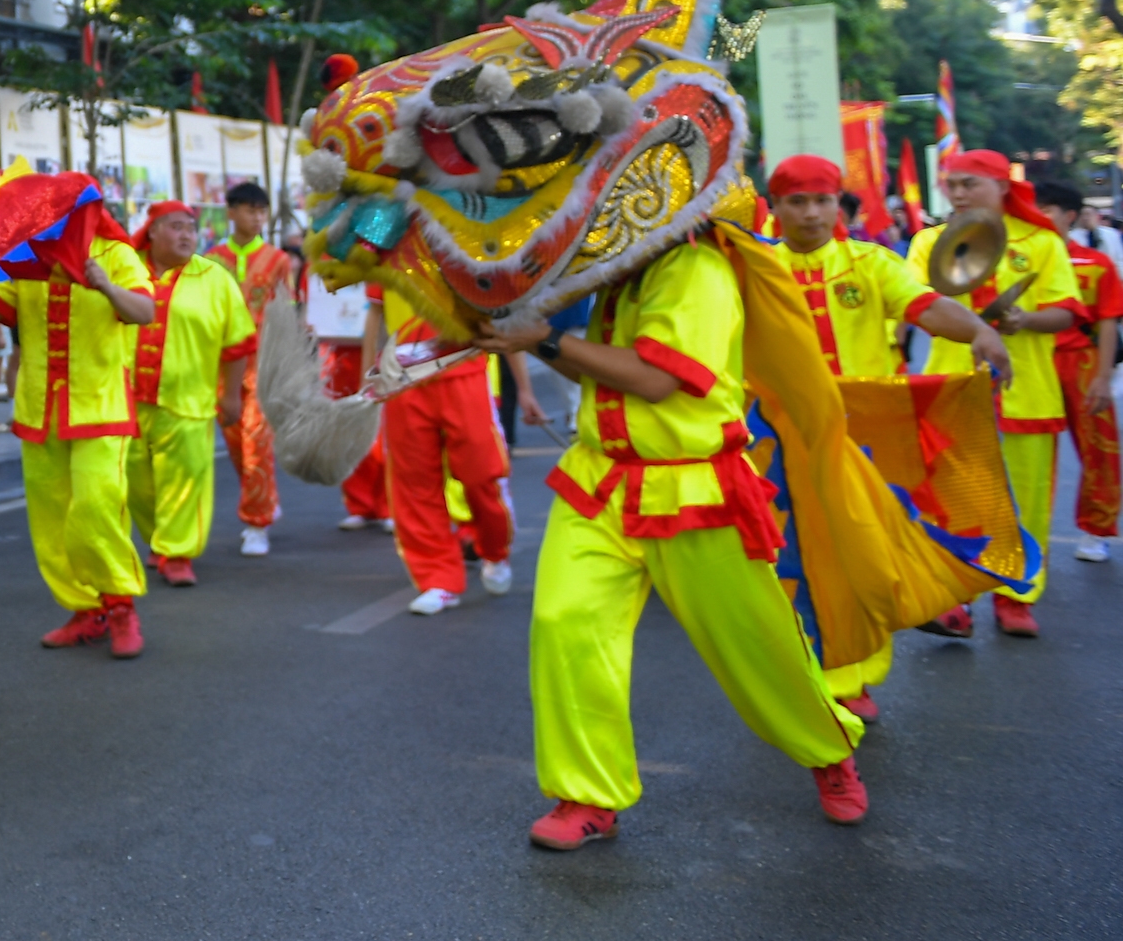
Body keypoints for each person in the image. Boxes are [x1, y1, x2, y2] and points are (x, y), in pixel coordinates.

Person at [477, 229, 871, 851]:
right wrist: (520, 334)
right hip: (600, 478)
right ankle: (588, 792)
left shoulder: (697, 269)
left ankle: (829, 749)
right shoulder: (615, 274)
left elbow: (659, 380)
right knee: (566, 624)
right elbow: (587, 364)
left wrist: (543, 339)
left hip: (694, 487)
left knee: (755, 641)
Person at [764, 154, 1010, 719]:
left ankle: (853, 674)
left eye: (823, 201)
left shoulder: (870, 262)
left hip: (860, 440)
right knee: (791, 558)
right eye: (797, 202)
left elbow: (925, 307)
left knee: (862, 556)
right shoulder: (756, 268)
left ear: (838, 204)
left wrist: (978, 329)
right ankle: (813, 673)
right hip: (777, 438)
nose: (811, 214)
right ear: (775, 206)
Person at [0, 186, 158, 657]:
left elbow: (144, 311)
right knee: (51, 523)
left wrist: (106, 287)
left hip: (100, 408)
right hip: (40, 411)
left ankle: (120, 605)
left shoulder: (114, 253)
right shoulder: (29, 256)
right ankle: (84, 609)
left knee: (96, 508)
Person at [906, 151, 1082, 638]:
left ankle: (1016, 596)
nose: (958, 194)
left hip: (1027, 391)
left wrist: (1025, 320)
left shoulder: (1041, 242)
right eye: (953, 185)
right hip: (951, 389)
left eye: (970, 184)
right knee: (949, 499)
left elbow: (1067, 312)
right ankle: (952, 597)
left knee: (1026, 501)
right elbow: (913, 303)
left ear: (1003, 187)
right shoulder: (928, 242)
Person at [362, 286, 515, 614]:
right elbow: (375, 312)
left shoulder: (470, 249)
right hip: (403, 375)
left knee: (481, 473)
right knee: (413, 481)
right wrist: (369, 380)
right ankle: (438, 579)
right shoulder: (382, 252)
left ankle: (495, 549)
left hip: (462, 363)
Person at [126, 202, 252, 588]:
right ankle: (159, 539)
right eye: (176, 227)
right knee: (135, 482)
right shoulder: (126, 270)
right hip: (124, 400)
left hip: (188, 400)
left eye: (191, 228)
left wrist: (231, 395)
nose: (186, 235)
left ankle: (177, 553)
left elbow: (237, 343)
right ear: (152, 231)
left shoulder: (215, 278)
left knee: (184, 481)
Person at [203, 180, 297, 555]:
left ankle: (257, 523)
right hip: (222, 363)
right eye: (249, 210)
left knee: (256, 440)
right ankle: (264, 498)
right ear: (231, 212)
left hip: (262, 362)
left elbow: (286, 312)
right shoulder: (210, 260)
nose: (257, 218)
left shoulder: (278, 260)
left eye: (262, 212)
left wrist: (286, 363)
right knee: (234, 441)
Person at [1033, 180, 1120, 565]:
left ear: (1069, 215)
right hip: (1033, 362)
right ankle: (1032, 531)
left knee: (1097, 448)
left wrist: (1103, 376)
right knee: (1032, 454)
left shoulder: (1095, 263)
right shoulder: (1017, 261)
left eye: (1046, 209)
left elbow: (1107, 322)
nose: (1037, 216)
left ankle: (1096, 529)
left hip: (1080, 363)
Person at [305, 273, 389, 529]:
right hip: (339, 351)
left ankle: (388, 505)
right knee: (346, 425)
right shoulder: (326, 256)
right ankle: (359, 503)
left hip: (382, 347)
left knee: (386, 426)